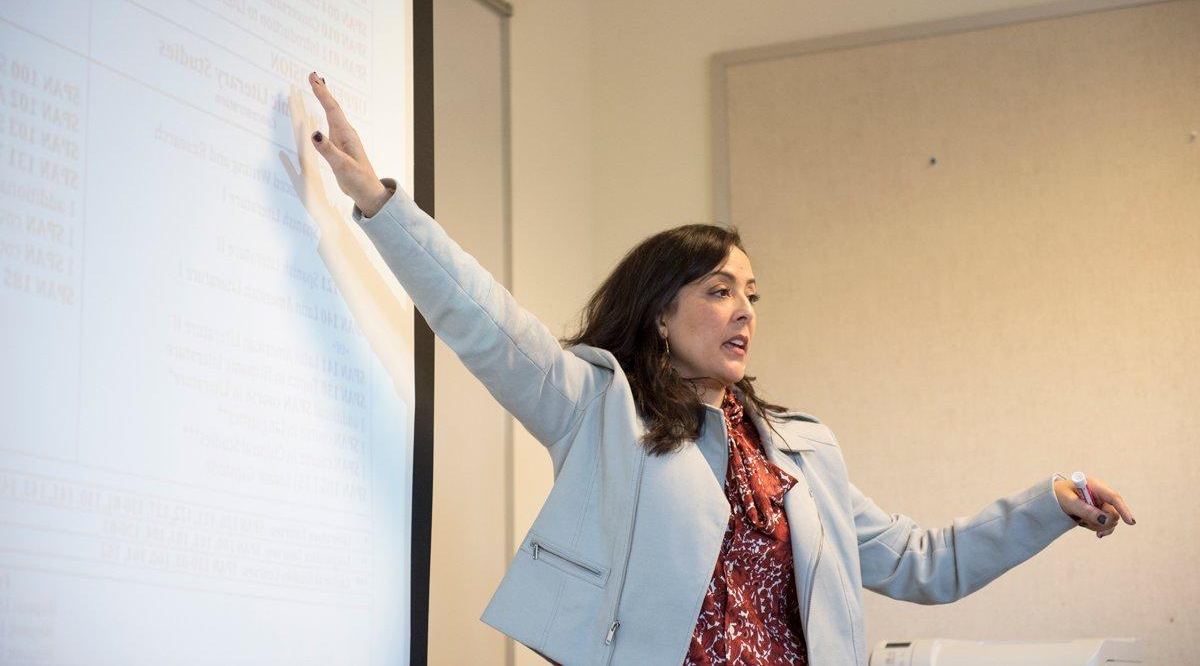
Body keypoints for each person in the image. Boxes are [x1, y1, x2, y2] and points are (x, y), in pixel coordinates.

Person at [297, 72, 1136, 665]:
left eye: (753, 293)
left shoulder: (799, 451)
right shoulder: (601, 410)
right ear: (661, 310)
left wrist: (1048, 506)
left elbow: (927, 562)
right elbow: (485, 321)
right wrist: (380, 202)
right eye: (719, 288)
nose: (744, 309)